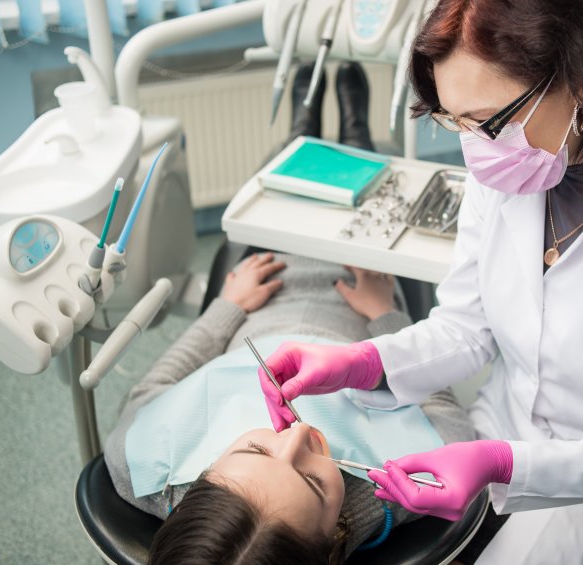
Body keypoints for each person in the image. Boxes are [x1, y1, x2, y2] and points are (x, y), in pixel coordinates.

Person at [257, 1, 583, 563]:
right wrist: (362, 362)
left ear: (579, 78)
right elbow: (466, 329)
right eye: (457, 122)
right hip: (502, 425)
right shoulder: (508, 163)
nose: (477, 150)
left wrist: (501, 464)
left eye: (490, 121)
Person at [103, 62, 480, 564]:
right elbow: (448, 422)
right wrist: (384, 318)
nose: (298, 434)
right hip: (354, 300)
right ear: (329, 547)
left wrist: (224, 310)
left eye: (253, 451)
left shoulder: (142, 467)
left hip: (263, 293)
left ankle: (300, 128)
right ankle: (356, 129)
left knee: (281, 180)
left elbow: (154, 391)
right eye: (310, 480)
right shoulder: (399, 490)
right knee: (364, 185)